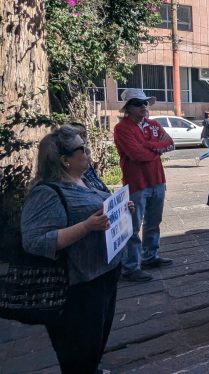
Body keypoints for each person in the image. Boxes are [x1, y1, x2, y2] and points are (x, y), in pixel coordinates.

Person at [22, 125, 132, 373]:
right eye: (82, 148)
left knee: (95, 342)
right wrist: (86, 227)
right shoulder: (47, 193)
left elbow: (99, 211)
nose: (88, 150)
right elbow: (35, 241)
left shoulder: (84, 180)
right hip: (77, 287)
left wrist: (122, 210)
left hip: (104, 273)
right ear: (64, 160)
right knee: (78, 350)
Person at [113, 88, 174, 282]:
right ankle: (130, 266)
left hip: (157, 180)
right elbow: (136, 154)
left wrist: (149, 146)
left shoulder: (153, 124)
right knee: (132, 226)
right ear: (128, 108)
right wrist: (156, 149)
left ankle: (150, 256)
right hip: (137, 183)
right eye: (138, 103)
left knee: (154, 222)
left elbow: (170, 144)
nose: (143, 107)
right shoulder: (122, 128)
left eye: (145, 103)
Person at [68, 122, 109, 193]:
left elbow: (97, 181)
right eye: (78, 135)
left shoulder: (86, 156)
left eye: (84, 135)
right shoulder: (72, 161)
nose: (82, 139)